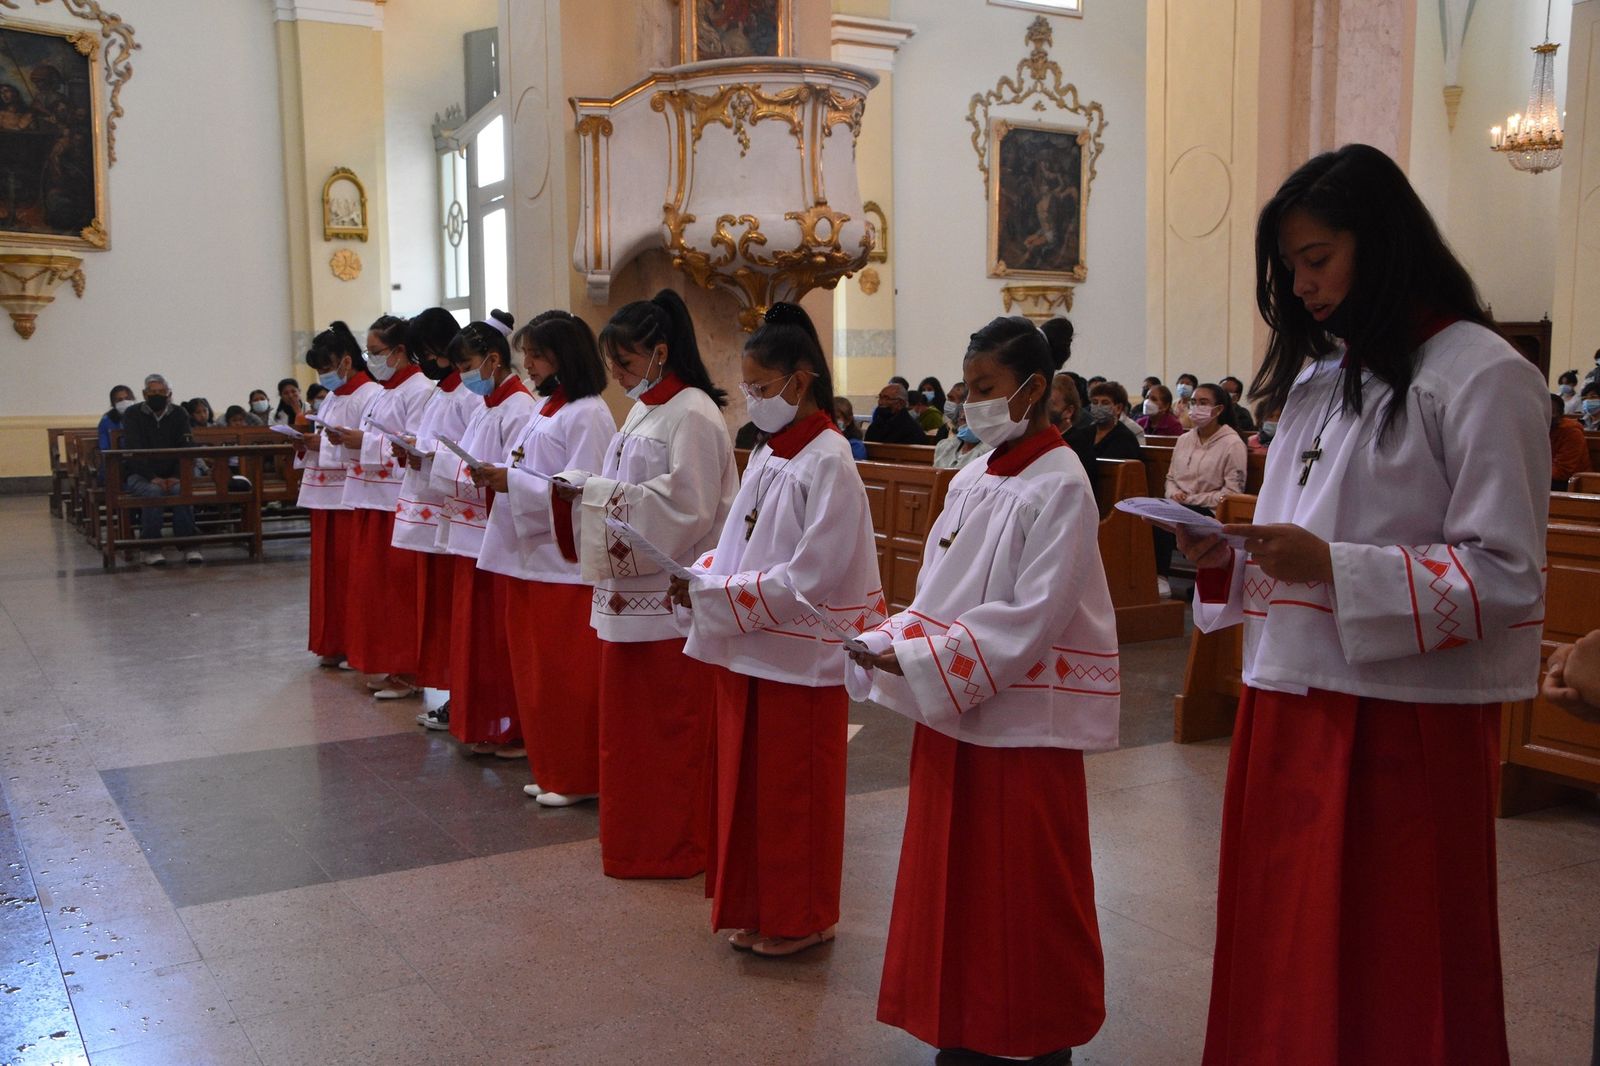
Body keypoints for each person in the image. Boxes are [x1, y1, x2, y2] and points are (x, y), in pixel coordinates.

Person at [1175, 143, 1547, 1066]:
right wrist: (1227, 554)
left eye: (1317, 259)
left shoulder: (1480, 373)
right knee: (1283, 944)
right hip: (1288, 702)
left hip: (1402, 726)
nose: (1301, 287)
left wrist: (1337, 569)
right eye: (1290, 268)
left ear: (1381, 243)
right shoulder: (1318, 381)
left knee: (1397, 957)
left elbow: (1507, 575)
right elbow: (1302, 541)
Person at [846, 316, 1118, 1062]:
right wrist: (889, 642)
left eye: (987, 390)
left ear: (1034, 391)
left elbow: (1031, 616)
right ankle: (962, 1026)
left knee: (1023, 893)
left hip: (1022, 728)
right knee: (954, 889)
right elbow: (938, 591)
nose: (972, 404)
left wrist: (930, 660)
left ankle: (1034, 1036)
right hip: (956, 716)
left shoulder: (1061, 484)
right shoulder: (971, 478)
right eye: (967, 388)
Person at [670, 301, 882, 957]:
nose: (755, 400)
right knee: (750, 792)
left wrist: (721, 597)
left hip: (799, 657)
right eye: (749, 389)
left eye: (763, 388)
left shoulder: (828, 461)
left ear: (801, 378)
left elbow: (812, 574)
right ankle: (759, 907)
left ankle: (803, 916)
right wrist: (701, 572)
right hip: (749, 649)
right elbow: (737, 540)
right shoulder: (766, 452)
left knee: (795, 796)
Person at [558, 289, 738, 879]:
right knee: (628, 739)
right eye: (611, 362)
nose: (616, 374)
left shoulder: (693, 413)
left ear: (661, 352)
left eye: (626, 362)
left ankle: (672, 847)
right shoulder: (642, 410)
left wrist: (593, 493)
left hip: (669, 601)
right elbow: (626, 483)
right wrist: (586, 486)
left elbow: (689, 506)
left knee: (668, 735)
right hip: (627, 598)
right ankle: (631, 841)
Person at [473, 310, 615, 806]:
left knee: (564, 676)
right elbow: (529, 466)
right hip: (527, 555)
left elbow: (586, 488)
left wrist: (509, 481)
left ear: (564, 355)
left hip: (563, 564)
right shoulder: (547, 406)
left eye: (536, 354)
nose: (527, 364)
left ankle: (576, 775)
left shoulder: (590, 413)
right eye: (527, 353)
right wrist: (499, 474)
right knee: (534, 675)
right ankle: (551, 766)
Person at [431, 311, 535, 757]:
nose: (462, 376)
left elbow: (521, 474)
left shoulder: (519, 408)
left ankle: (510, 725)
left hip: (498, 536)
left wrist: (479, 473)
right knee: (476, 637)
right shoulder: (487, 406)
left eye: (467, 366)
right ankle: (484, 720)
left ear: (494, 360)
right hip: (471, 533)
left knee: (496, 638)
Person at [339, 314, 433, 699]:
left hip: (395, 499)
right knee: (372, 587)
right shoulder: (384, 389)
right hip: (370, 499)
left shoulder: (420, 389)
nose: (370, 359)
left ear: (399, 351)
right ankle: (382, 659)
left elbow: (414, 445)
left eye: (375, 352)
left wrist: (363, 441)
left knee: (398, 589)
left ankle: (407, 668)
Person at [392, 307, 476, 730]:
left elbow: (471, 456)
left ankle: (464, 699)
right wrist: (412, 447)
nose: (424, 362)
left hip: (459, 516)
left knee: (461, 620)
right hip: (437, 514)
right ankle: (454, 696)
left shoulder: (470, 394)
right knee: (447, 617)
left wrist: (428, 455)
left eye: (428, 352)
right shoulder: (440, 390)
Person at [297, 324, 381, 667]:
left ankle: (353, 643)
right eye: (318, 371)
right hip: (323, 498)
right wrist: (306, 445)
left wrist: (325, 448)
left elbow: (366, 444)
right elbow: (326, 438)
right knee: (328, 575)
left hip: (350, 495)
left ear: (346, 361)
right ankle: (331, 641)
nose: (324, 376)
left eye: (327, 368)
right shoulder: (332, 396)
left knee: (351, 575)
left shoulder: (370, 394)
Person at [1152, 383, 1247, 596]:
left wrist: (1192, 499)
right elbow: (1170, 477)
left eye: (1203, 403)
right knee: (1153, 515)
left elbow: (1232, 492)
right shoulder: (1184, 439)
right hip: (1180, 503)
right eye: (1194, 402)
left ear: (1219, 409)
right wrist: (1172, 493)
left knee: (1181, 518)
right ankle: (1159, 577)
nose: (1196, 407)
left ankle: (1202, 580)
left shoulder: (1232, 443)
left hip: (1211, 511)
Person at [120, 374, 202, 566]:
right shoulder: (133, 414)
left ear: (168, 393)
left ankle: (188, 544)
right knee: (153, 492)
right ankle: (151, 547)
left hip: (175, 473)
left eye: (161, 392)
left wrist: (175, 476)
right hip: (141, 474)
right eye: (152, 392)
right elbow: (134, 449)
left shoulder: (179, 413)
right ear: (144, 394)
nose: (157, 396)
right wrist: (152, 477)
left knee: (181, 490)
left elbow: (185, 446)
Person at [1078, 381, 1145, 464]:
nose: (1098, 407)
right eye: (1095, 402)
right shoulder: (1085, 433)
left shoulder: (1125, 438)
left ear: (1118, 408)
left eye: (1105, 403)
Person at [1551, 393, 1593, 491]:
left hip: (1572, 482)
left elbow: (1563, 470)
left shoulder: (1571, 431)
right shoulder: (1538, 430)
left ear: (1559, 414)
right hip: (1548, 476)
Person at [932, 402, 990, 469]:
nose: (969, 425)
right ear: (957, 421)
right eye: (964, 419)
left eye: (974, 420)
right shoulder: (944, 446)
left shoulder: (987, 452)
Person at [97, 384, 135, 456]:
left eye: (127, 398)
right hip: (115, 461)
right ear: (113, 403)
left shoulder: (140, 416)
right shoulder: (106, 421)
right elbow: (104, 448)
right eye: (120, 400)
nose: (124, 402)